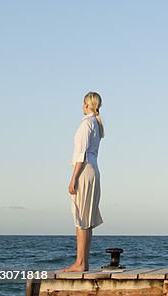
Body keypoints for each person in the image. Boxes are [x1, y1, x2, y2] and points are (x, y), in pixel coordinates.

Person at [62, 92, 104, 272]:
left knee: (80, 217)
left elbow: (81, 155)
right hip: (92, 170)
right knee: (86, 218)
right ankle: (83, 262)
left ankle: (80, 262)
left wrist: (73, 179)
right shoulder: (95, 124)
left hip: (85, 170)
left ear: (87, 105)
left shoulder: (86, 124)